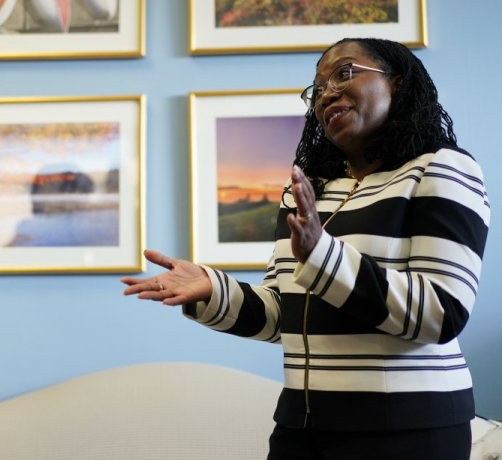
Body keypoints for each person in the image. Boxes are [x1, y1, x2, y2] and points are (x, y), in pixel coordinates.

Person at [122, 38, 490, 459]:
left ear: (398, 82)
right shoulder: (309, 190)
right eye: (317, 88)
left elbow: (441, 313)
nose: (327, 92)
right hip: (303, 427)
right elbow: (286, 316)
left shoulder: (441, 167)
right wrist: (213, 290)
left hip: (407, 427)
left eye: (345, 73)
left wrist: (322, 255)